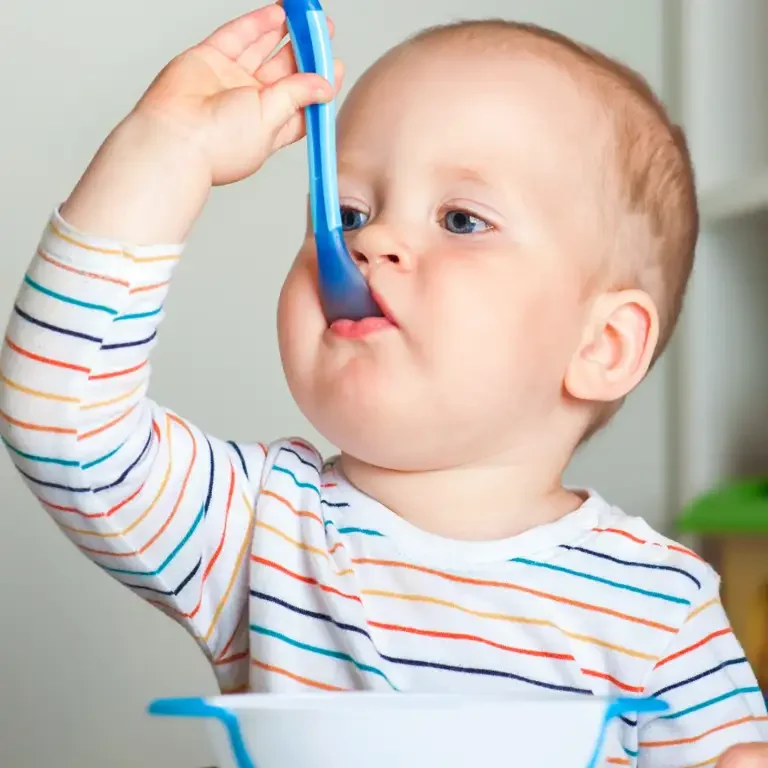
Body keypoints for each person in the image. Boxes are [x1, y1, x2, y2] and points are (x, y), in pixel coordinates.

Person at [1, 4, 766, 765]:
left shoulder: (662, 609)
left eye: (462, 219)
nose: (371, 240)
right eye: (347, 210)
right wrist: (167, 150)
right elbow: (61, 420)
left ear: (601, 344)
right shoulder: (261, 529)